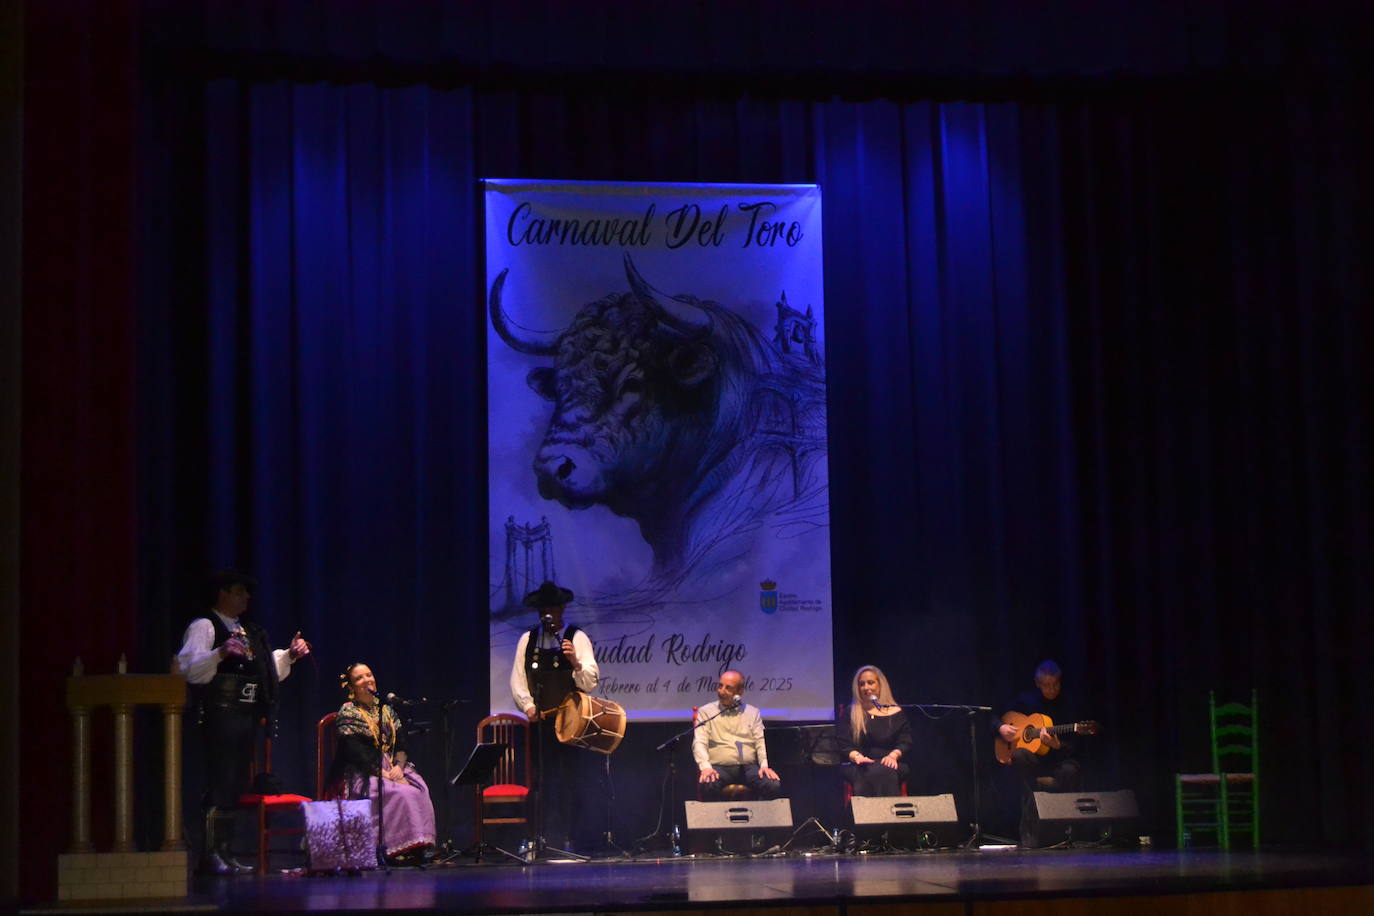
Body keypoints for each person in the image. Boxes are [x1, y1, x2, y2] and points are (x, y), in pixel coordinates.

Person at [176, 568, 312, 875]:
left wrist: (289, 655)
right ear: (223, 593)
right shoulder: (205, 626)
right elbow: (189, 668)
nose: (246, 597)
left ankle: (224, 851)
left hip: (244, 716)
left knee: (236, 783)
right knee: (220, 782)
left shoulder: (248, 630)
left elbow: (263, 670)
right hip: (217, 716)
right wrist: (220, 654)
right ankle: (210, 855)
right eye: (240, 591)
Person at [508, 580, 607, 854]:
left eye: (551, 608)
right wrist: (528, 706)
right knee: (543, 780)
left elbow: (590, 681)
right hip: (542, 723)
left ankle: (575, 840)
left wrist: (575, 661)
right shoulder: (528, 640)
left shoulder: (577, 637)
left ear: (561, 609)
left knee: (573, 780)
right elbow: (518, 680)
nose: (547, 613)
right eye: (542, 609)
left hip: (573, 722)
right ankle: (544, 840)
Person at [330, 663, 436, 864]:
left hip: (391, 765)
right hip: (362, 770)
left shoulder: (386, 710)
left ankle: (417, 846)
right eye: (359, 678)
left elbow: (402, 744)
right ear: (352, 687)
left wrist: (399, 767)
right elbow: (354, 751)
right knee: (399, 793)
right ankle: (392, 849)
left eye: (369, 674)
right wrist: (382, 773)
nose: (367, 680)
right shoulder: (349, 712)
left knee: (419, 788)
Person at [996, 659, 1083, 846]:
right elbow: (996, 717)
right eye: (1046, 685)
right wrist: (1001, 727)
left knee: (1071, 770)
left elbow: (1074, 747)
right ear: (1037, 684)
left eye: (1055, 684)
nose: (1051, 689)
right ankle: (1031, 828)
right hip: (1034, 763)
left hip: (1058, 761)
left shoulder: (1068, 704)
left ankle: (1065, 832)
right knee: (1019, 754)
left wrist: (1056, 745)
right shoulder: (1026, 701)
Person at [692, 670, 782, 800]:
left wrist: (764, 766)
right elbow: (699, 742)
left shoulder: (752, 713)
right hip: (720, 768)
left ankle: (760, 819)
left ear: (739, 692)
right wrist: (705, 767)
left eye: (728, 688)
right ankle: (717, 820)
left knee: (772, 785)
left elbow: (760, 741)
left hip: (748, 767)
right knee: (708, 784)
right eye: (720, 686)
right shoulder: (706, 712)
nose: (721, 691)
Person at [837, 665, 912, 797]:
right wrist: (857, 757)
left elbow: (905, 741)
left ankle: (888, 816)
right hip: (860, 764)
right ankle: (866, 816)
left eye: (871, 682)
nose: (866, 687)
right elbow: (844, 743)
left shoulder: (896, 711)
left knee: (885, 770)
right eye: (862, 684)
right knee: (871, 771)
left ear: (880, 685)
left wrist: (893, 756)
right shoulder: (851, 712)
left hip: (890, 762)